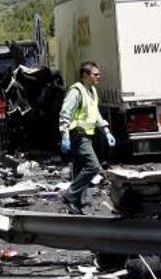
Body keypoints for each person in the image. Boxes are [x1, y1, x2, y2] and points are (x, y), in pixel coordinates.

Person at [58, 61, 116, 215]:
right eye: (95, 74)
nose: (99, 76)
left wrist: (105, 130)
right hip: (78, 134)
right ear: (85, 75)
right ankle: (70, 195)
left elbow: (95, 113)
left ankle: (76, 205)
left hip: (88, 135)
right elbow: (65, 113)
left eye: (98, 74)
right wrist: (64, 135)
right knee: (93, 166)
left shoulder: (92, 91)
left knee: (79, 170)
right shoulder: (76, 91)